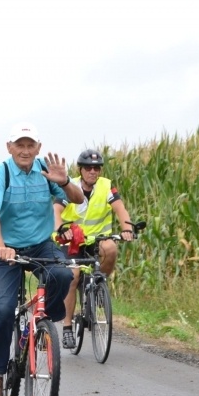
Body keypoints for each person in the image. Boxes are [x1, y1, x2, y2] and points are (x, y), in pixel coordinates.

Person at [0, 123, 84, 396]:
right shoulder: (1, 173)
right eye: (19, 145)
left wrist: (63, 182)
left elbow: (78, 199)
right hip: (6, 250)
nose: (25, 151)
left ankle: (40, 323)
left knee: (63, 275)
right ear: (9, 147)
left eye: (30, 145)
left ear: (38, 148)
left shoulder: (46, 171)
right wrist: (0, 246)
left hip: (40, 244)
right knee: (2, 309)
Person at [52, 148, 134, 349]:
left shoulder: (106, 186)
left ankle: (98, 284)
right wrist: (60, 230)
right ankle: (68, 327)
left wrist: (127, 229)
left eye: (97, 168)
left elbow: (120, 209)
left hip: (96, 240)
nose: (93, 171)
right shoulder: (69, 186)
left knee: (111, 248)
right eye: (88, 167)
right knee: (72, 276)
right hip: (72, 240)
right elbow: (57, 210)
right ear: (80, 170)